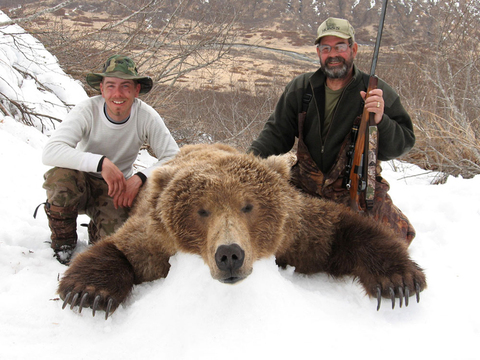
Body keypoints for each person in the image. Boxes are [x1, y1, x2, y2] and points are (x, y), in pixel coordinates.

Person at [248, 18, 416, 245]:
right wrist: (246, 163)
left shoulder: (376, 90)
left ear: (353, 49)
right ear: (318, 52)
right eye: (326, 48)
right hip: (304, 188)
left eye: (340, 47)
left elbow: (403, 143)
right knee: (267, 232)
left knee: (390, 243)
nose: (333, 54)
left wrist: (381, 121)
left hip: (356, 190)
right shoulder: (301, 88)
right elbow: (276, 134)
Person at [40, 55, 179, 264]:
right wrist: (100, 163)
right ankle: (64, 242)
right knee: (60, 178)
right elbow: (51, 151)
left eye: (125, 86)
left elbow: (174, 156)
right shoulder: (87, 110)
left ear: (136, 90)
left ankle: (97, 231)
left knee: (119, 245)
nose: (118, 94)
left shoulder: (146, 116)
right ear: (102, 89)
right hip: (82, 183)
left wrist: (141, 177)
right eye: (111, 86)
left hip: (116, 189)